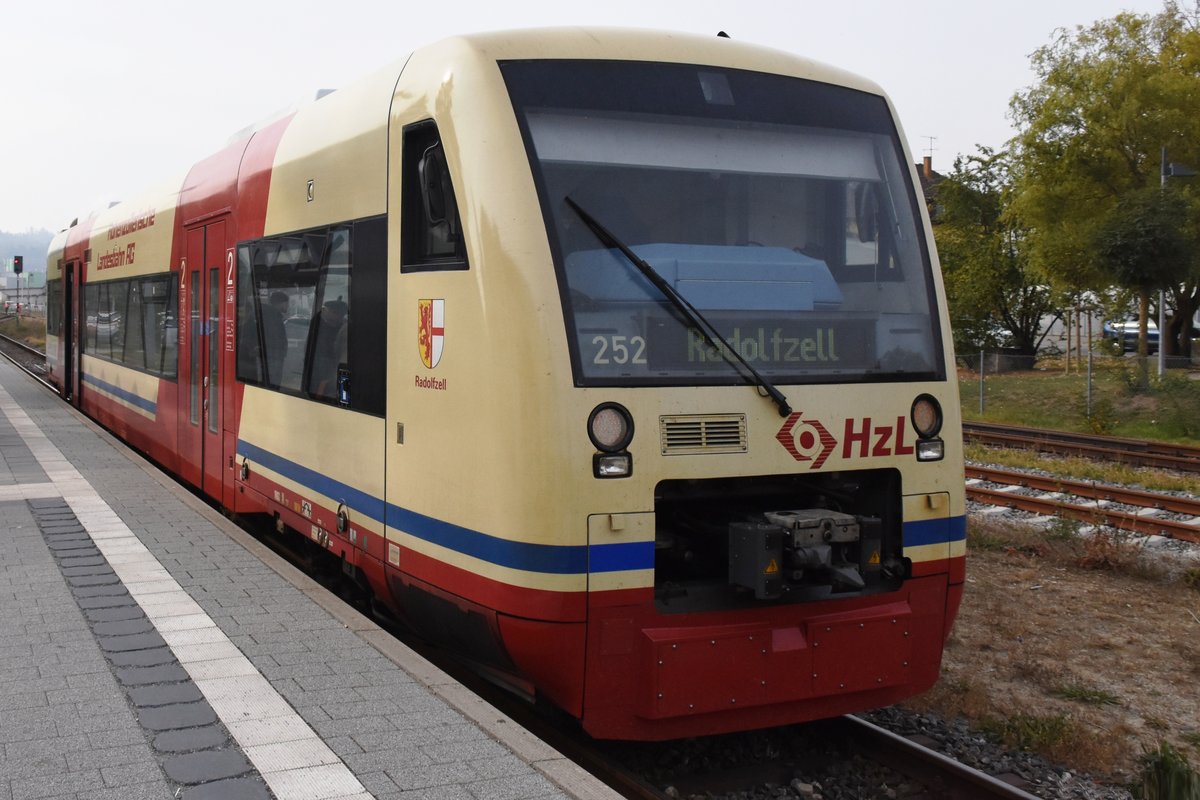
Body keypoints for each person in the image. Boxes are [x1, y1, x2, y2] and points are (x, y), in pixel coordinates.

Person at [260, 291, 289, 386]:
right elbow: (275, 339)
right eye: (287, 303)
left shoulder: (270, 315)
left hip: (273, 357)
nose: (288, 306)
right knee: (273, 383)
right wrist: (280, 354)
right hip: (273, 357)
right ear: (281, 303)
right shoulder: (273, 316)